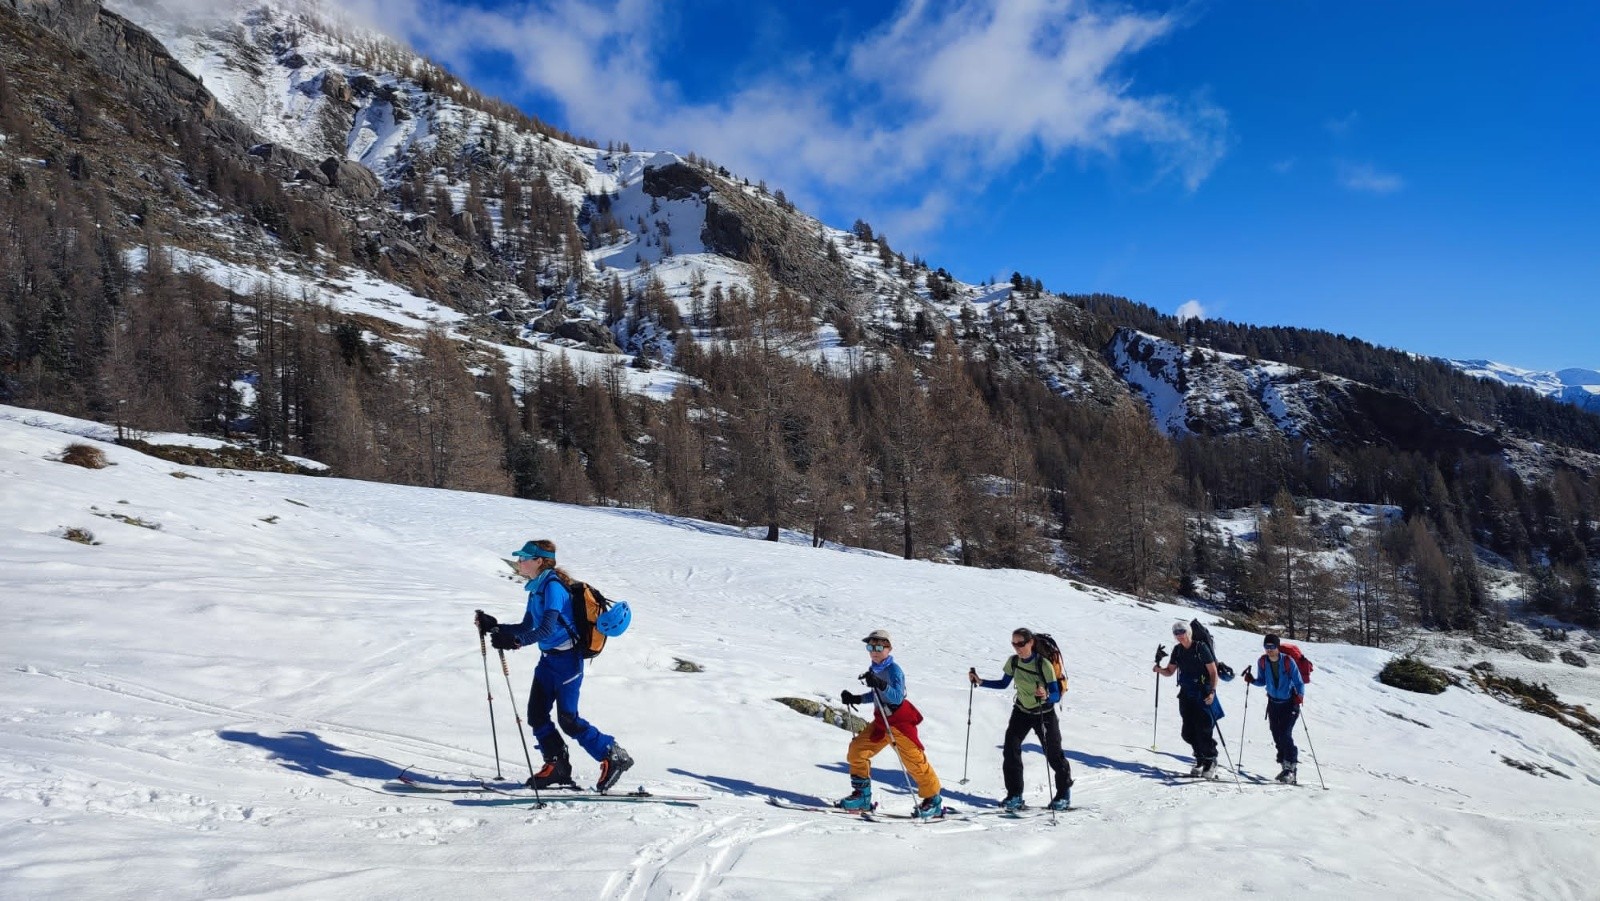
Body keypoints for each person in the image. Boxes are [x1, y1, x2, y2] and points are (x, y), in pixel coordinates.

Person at [475, 540, 632, 793]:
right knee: (536, 715)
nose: (519, 562)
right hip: (548, 661)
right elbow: (528, 626)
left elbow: (546, 628)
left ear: (539, 561)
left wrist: (514, 642)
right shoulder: (536, 588)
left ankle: (612, 755)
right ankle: (556, 765)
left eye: (524, 557)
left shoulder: (553, 588)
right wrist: (496, 628)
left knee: (568, 719)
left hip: (568, 662)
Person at [836, 630, 944, 818]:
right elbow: (876, 695)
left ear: (888, 648)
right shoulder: (875, 669)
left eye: (879, 647)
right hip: (881, 722)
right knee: (857, 751)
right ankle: (862, 796)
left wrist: (880, 683)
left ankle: (933, 800)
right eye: (870, 647)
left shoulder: (894, 670)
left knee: (915, 762)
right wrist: (857, 698)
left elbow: (897, 697)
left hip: (898, 723)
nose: (874, 651)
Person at [969, 628, 1073, 811]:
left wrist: (1046, 696)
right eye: (1014, 644)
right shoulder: (1014, 662)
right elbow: (1003, 684)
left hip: (1044, 713)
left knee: (1054, 755)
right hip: (1021, 711)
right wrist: (981, 681)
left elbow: (1056, 694)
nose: (1017, 648)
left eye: (1020, 643)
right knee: (1010, 750)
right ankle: (1015, 795)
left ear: (1031, 643)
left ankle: (1063, 794)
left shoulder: (1044, 664)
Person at [1152, 620, 1221, 778]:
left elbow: (1213, 672)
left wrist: (1212, 692)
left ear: (1189, 632)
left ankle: (1210, 760)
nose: (1179, 636)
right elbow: (1170, 671)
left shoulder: (1200, 648)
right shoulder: (1177, 650)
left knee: (1204, 729)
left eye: (1182, 632)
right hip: (1186, 693)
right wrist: (1159, 669)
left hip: (1203, 693)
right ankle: (1200, 758)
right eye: (1176, 633)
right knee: (1188, 732)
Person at [1242, 633, 1305, 783]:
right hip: (1273, 704)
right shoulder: (1263, 661)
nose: (1269, 650)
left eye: (1272, 647)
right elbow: (1262, 681)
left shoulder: (1288, 661)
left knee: (1285, 734)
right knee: (1277, 735)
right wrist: (1252, 680)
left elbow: (1299, 682)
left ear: (1277, 647)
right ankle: (1285, 766)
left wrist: (1299, 696)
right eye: (1266, 647)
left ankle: (1291, 768)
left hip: (1289, 704)